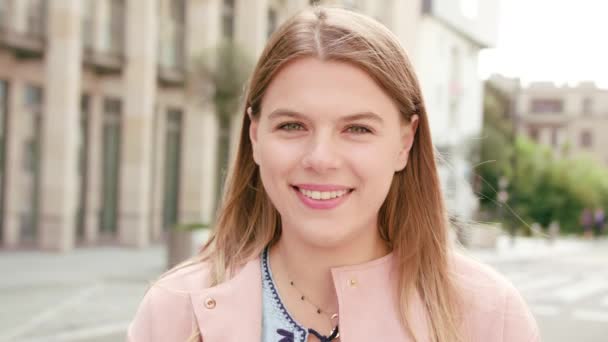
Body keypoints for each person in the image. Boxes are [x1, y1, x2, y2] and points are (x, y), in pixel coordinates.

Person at [128, 6, 539, 342]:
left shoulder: (490, 317)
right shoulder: (173, 310)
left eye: (357, 129)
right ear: (255, 135)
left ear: (405, 141)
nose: (320, 158)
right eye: (292, 126)